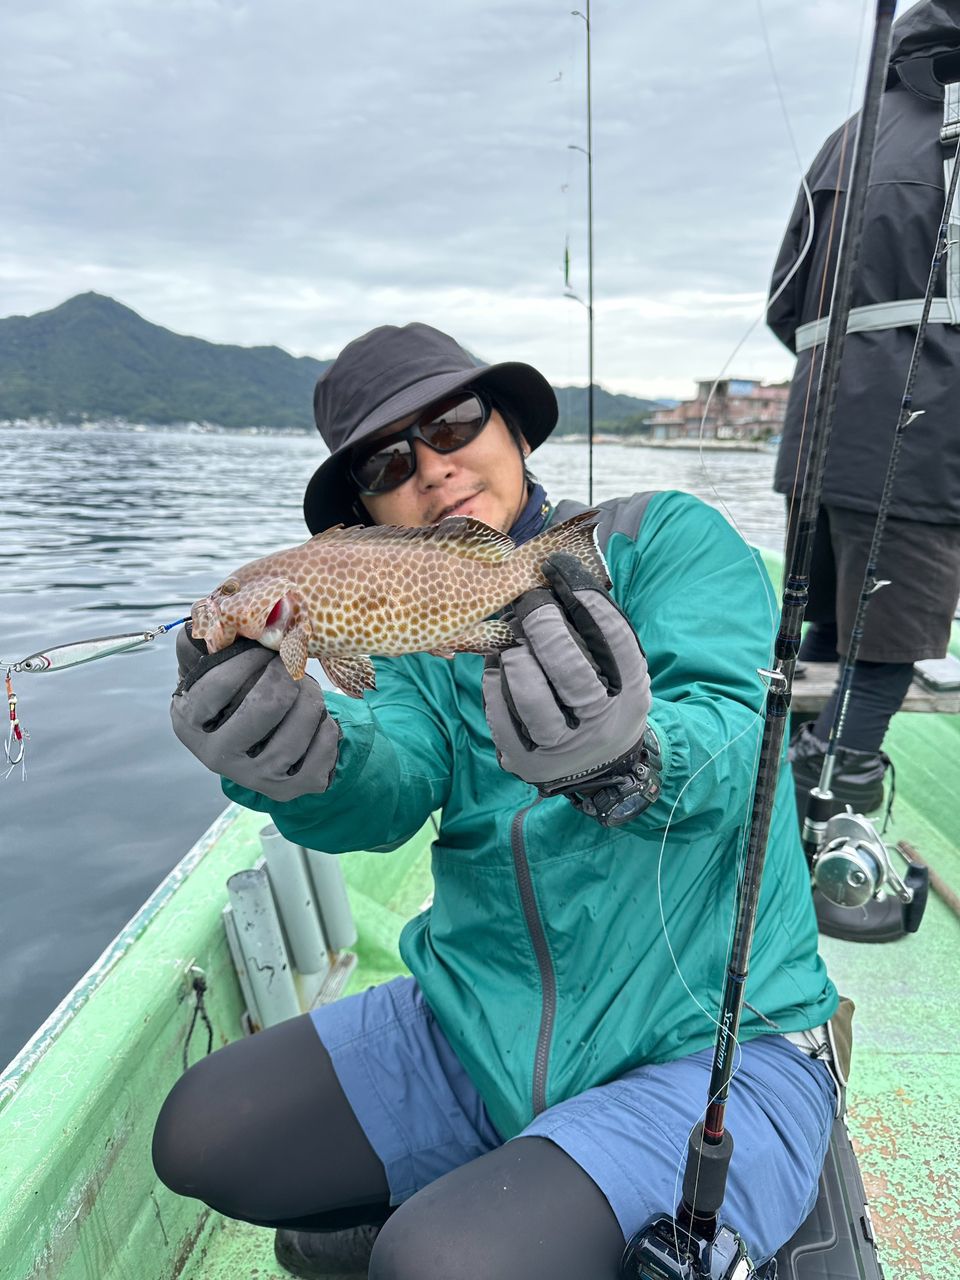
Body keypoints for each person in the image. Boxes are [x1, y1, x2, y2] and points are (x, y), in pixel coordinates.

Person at [152, 321, 840, 1280]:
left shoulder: (665, 538)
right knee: (202, 1133)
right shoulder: (418, 648)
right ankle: (504, 1191)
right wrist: (291, 758)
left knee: (438, 1262)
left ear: (513, 428)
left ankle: (491, 1216)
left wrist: (632, 755)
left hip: (715, 1047)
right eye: (387, 463)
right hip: (478, 1025)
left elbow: (740, 740)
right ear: (367, 513)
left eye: (454, 423)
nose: (429, 469)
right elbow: (380, 778)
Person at [767, 0, 960, 821]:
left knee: (820, 629)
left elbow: (783, 301)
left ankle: (778, 796)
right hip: (924, 446)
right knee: (882, 651)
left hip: (815, 437)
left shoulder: (845, 137)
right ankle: (834, 804)